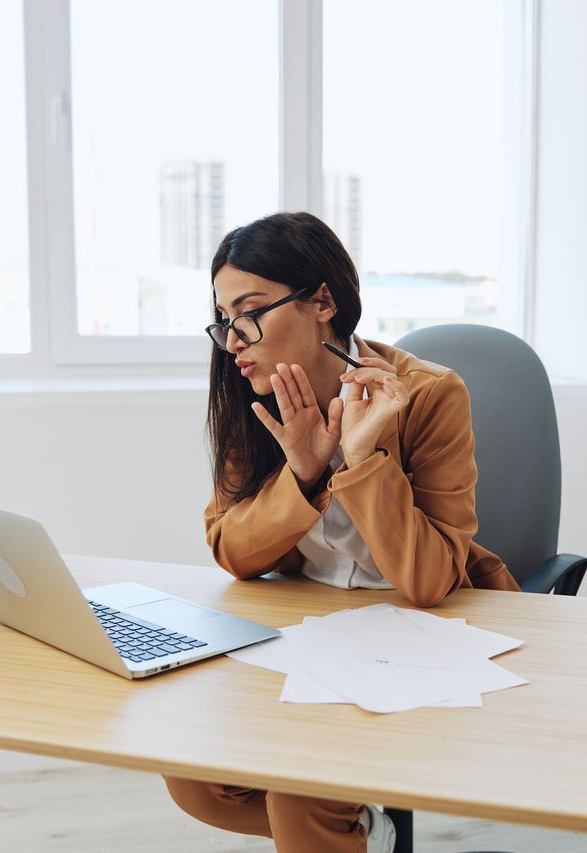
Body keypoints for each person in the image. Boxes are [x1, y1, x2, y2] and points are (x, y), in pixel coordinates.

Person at [162, 211, 519, 853]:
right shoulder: (252, 396)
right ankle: (368, 831)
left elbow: (431, 579)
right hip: (307, 629)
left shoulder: (430, 394)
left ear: (323, 300)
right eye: (224, 321)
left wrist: (361, 460)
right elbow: (232, 552)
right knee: (195, 778)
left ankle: (346, 828)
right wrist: (301, 474)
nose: (234, 340)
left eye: (251, 313)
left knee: (301, 793)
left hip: (416, 628)